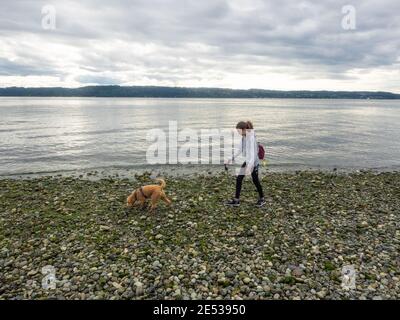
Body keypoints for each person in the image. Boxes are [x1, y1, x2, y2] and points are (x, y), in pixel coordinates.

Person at [225, 121, 266, 208]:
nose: (238, 132)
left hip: (253, 162)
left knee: (255, 180)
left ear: (244, 129)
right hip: (247, 161)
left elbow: (253, 154)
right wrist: (230, 159)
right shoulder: (244, 137)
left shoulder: (251, 138)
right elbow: (239, 150)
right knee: (239, 179)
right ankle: (236, 200)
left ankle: (262, 199)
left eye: (238, 131)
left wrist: (250, 166)